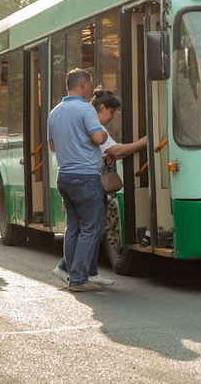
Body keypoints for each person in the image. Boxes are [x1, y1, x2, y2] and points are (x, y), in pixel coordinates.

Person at [51, 89, 148, 287]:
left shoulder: (62, 114)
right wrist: (145, 141)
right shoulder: (91, 123)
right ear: (101, 107)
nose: (112, 118)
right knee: (90, 229)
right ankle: (73, 273)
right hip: (88, 181)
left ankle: (88, 272)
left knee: (81, 228)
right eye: (111, 112)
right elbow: (116, 151)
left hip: (71, 177)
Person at [47, 69, 108, 292]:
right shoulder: (85, 108)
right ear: (83, 84)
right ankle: (80, 278)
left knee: (73, 227)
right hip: (86, 176)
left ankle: (73, 273)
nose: (92, 88)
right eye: (90, 84)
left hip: (64, 176)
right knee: (91, 228)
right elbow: (98, 137)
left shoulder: (55, 112)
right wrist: (101, 130)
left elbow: (53, 146)